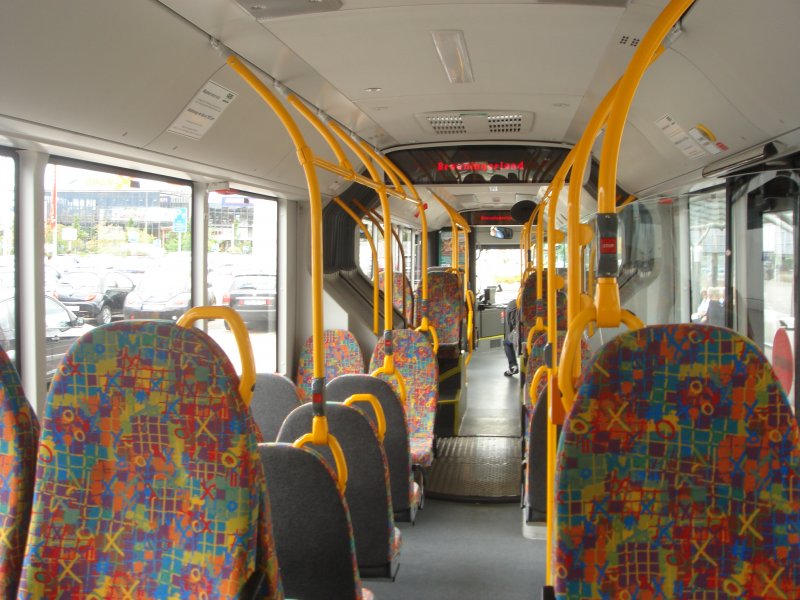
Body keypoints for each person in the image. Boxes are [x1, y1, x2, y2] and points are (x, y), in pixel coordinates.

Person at [503, 298, 519, 376]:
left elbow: (511, 325)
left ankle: (513, 366)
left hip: (523, 335)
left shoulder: (513, 304)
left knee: (506, 342)